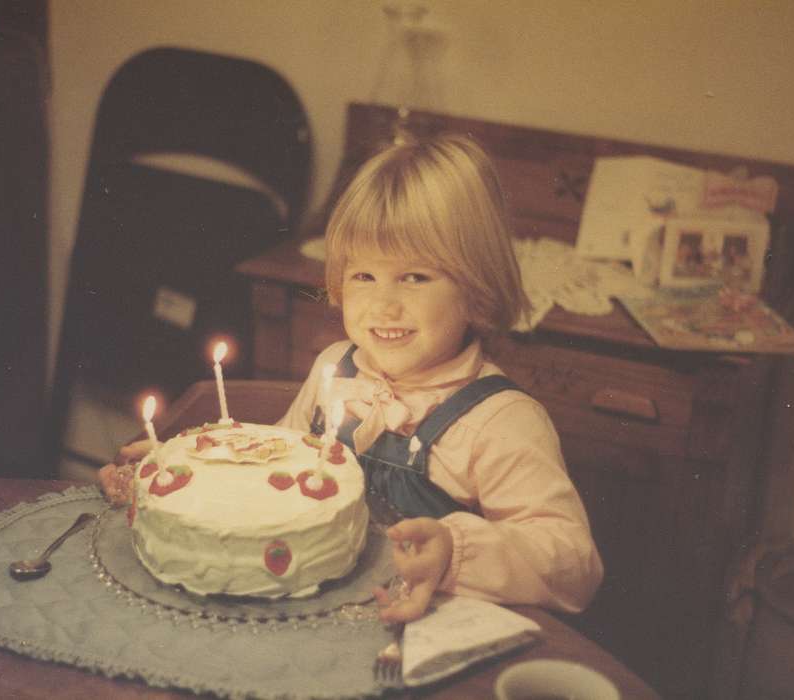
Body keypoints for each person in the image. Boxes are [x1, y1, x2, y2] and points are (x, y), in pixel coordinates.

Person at [100, 134, 603, 623]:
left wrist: (455, 550)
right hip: (308, 613)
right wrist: (185, 466)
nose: (383, 303)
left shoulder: (501, 421)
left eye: (415, 277)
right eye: (364, 275)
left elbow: (574, 566)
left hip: (412, 630)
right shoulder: (334, 368)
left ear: (476, 290)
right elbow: (275, 471)